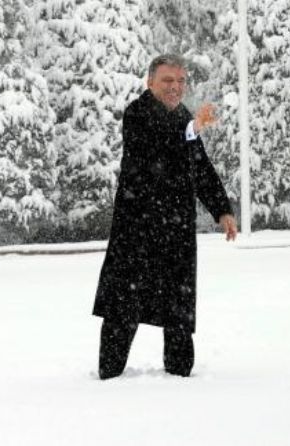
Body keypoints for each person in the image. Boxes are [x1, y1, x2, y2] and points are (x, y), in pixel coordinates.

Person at [93, 54, 238, 379]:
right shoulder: (137, 114)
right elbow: (154, 150)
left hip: (176, 231)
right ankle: (108, 376)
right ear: (150, 83)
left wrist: (222, 209)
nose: (175, 87)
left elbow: (200, 168)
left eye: (181, 81)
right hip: (137, 231)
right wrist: (190, 129)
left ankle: (180, 375)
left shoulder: (184, 118)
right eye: (167, 81)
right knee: (123, 307)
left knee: (178, 307)